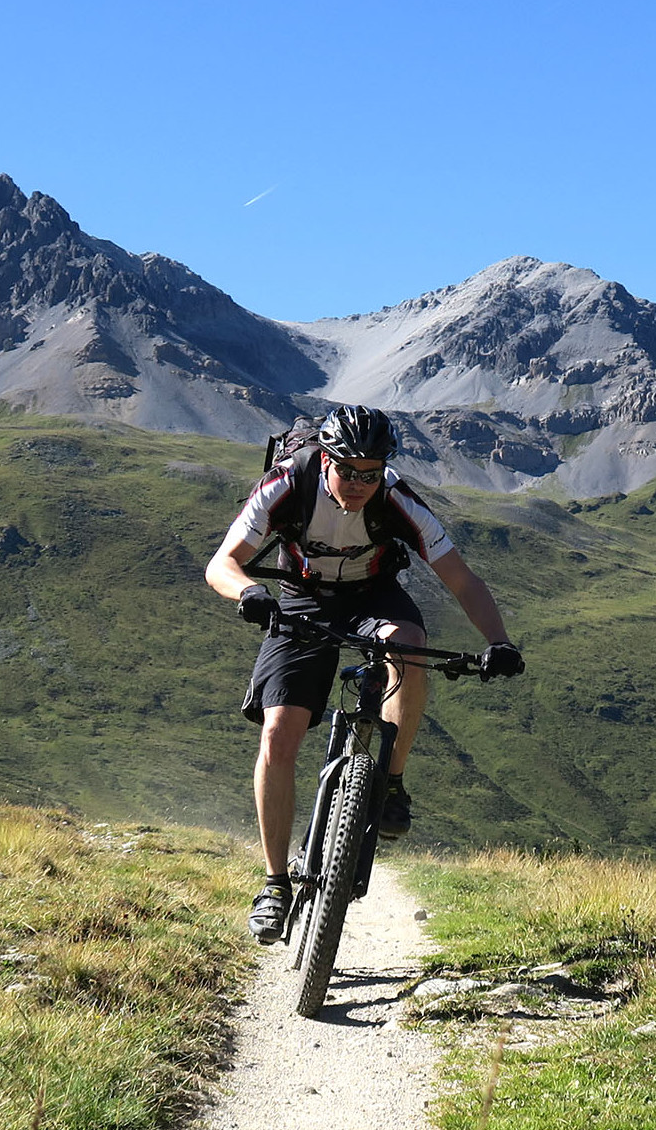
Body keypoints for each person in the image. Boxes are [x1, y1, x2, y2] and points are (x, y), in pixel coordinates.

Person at [204, 405, 524, 944]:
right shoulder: (287, 483)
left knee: (411, 647)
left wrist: (500, 642)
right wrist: (250, 592)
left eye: (370, 473)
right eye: (347, 470)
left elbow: (461, 579)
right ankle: (275, 884)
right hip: (300, 600)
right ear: (325, 459)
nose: (358, 484)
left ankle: (390, 783)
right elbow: (222, 563)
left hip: (372, 597)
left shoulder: (399, 501)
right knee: (279, 732)